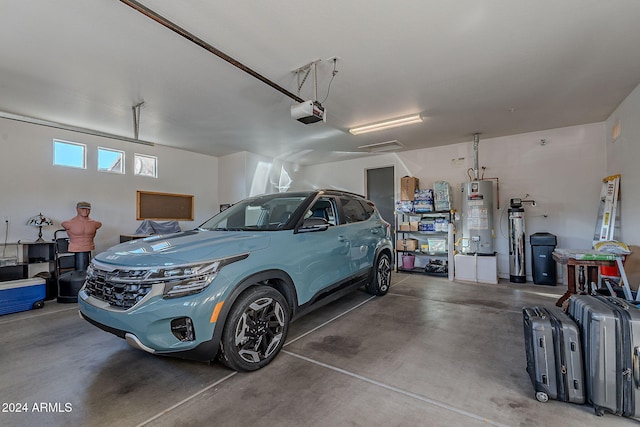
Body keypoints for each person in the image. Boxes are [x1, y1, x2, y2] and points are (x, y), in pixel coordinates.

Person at [61, 201, 102, 270]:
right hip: (76, 247)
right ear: (77, 209)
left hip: (89, 246)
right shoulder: (68, 223)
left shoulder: (96, 223)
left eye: (88, 209)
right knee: (80, 270)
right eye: (82, 209)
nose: (85, 211)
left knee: (87, 270)